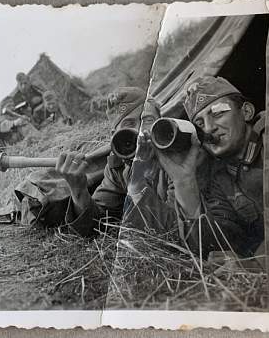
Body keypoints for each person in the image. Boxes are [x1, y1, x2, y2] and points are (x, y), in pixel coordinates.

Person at [154, 76, 265, 258]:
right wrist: (184, 182)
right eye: (199, 123)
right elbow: (222, 243)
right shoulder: (219, 177)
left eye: (218, 113)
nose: (208, 128)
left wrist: (259, 263)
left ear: (246, 112)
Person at [55, 87, 178, 237]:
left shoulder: (178, 156)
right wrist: (78, 190)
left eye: (148, 120)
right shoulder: (118, 167)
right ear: (115, 136)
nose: (140, 130)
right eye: (129, 124)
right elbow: (96, 224)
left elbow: (178, 230)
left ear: (161, 121)